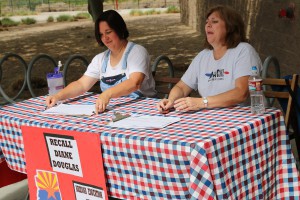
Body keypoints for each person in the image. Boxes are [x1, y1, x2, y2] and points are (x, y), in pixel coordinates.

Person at [46, 10, 156, 113]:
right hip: (114, 111)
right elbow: (81, 84)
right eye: (101, 34)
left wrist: (107, 94)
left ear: (120, 29)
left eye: (108, 32)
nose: (105, 38)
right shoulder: (100, 59)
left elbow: (134, 83)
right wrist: (58, 96)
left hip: (142, 111)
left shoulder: (137, 52)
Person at [157, 5, 262, 113]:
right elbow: (181, 87)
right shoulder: (203, 56)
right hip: (209, 118)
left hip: (239, 117)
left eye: (214, 21)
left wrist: (202, 102)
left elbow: (241, 93)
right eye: (207, 22)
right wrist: (170, 100)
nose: (208, 25)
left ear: (230, 27)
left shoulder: (243, 51)